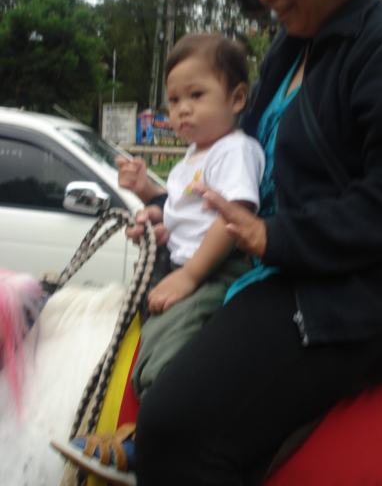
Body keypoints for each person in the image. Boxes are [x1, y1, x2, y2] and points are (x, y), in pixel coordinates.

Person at [61, 0, 382, 486]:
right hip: (264, 269)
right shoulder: (289, 53)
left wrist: (276, 236)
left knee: (174, 427)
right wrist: (174, 210)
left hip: (340, 293)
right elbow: (243, 166)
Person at [51, 33, 264, 484]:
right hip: (184, 264)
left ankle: (157, 441)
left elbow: (234, 217)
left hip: (214, 269)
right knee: (147, 337)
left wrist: (190, 275)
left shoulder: (235, 150)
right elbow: (182, 210)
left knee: (171, 344)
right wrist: (148, 195)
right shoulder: (193, 157)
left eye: (196, 95)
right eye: (174, 100)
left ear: (237, 98)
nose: (182, 109)